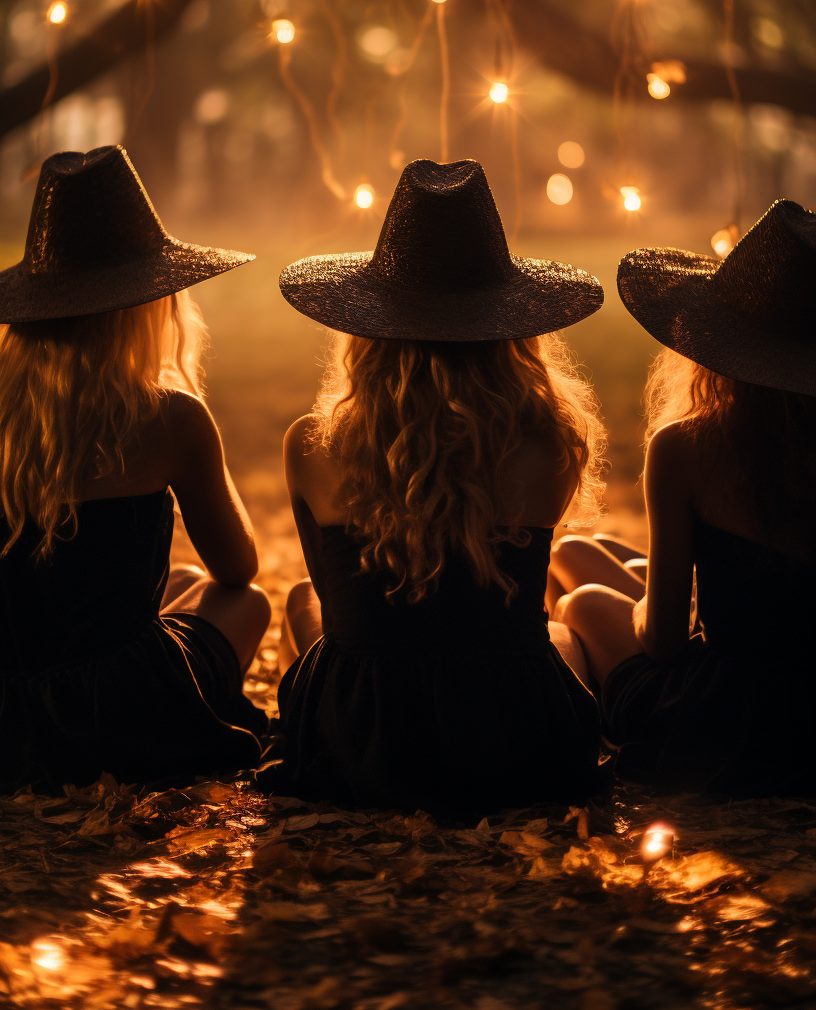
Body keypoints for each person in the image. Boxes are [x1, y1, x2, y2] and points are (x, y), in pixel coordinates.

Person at [269, 157, 608, 817]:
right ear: (512, 328)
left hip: (367, 739)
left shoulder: (311, 445)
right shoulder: (553, 445)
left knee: (302, 603)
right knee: (559, 636)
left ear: (368, 327)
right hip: (504, 735)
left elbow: (339, 609)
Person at [0, 145, 270, 793]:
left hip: (8, 707)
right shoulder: (170, 418)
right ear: (150, 303)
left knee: (176, 578)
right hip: (120, 707)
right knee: (247, 604)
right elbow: (236, 568)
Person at [549, 199, 816, 796]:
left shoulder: (690, 447)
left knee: (586, 598)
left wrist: (649, 606)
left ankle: (559, 719)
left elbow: (664, 643)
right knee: (588, 554)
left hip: (730, 715)